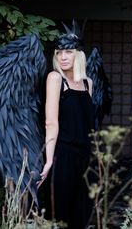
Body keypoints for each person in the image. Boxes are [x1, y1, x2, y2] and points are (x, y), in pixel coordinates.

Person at [37, 30, 95, 228]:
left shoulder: (88, 84)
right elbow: (51, 122)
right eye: (58, 53)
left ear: (78, 54)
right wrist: (49, 161)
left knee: (82, 215)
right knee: (60, 216)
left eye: (68, 52)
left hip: (86, 157)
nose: (62, 57)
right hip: (64, 155)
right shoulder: (55, 79)